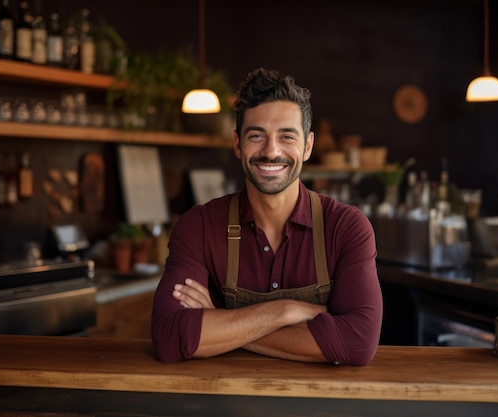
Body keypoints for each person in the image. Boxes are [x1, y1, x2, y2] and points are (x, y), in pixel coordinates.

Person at [151, 68, 382, 365]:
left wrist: (221, 324)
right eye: (257, 135)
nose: (271, 151)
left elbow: (358, 343)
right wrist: (285, 312)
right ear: (237, 144)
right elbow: (170, 338)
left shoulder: (346, 227)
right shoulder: (199, 226)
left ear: (308, 146)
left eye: (287, 136)